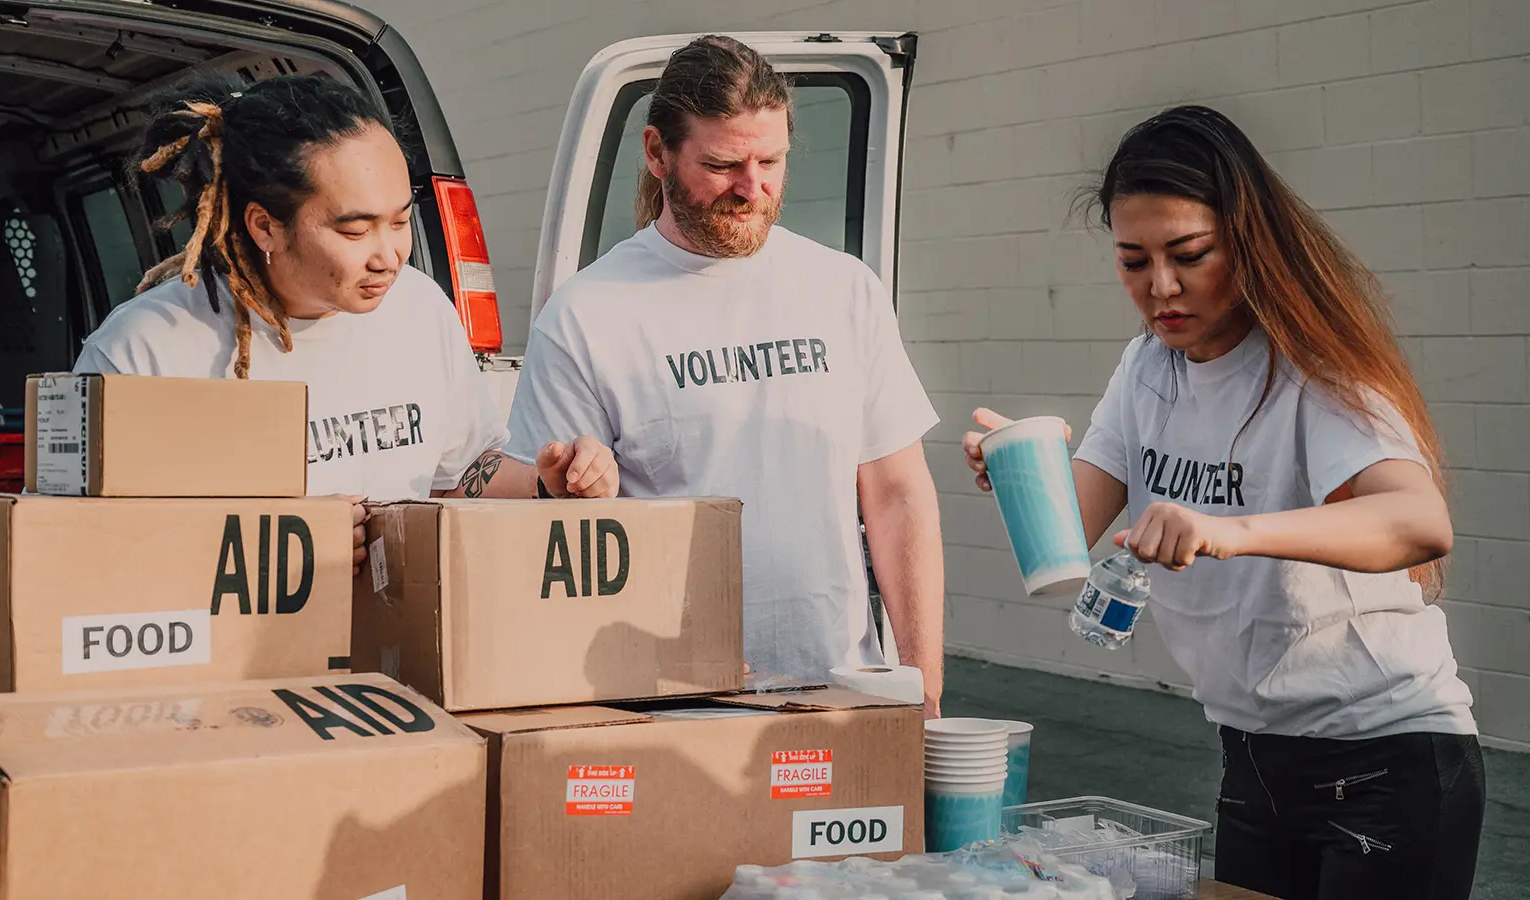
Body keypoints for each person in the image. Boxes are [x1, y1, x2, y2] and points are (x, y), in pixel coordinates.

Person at [963, 106, 1484, 900]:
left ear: (1247, 242)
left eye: (1189, 255)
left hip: (1387, 759)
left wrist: (1228, 531)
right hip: (1253, 759)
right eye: (1133, 261)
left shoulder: (1312, 369)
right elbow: (1070, 536)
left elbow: (1419, 523)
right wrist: (1018, 469)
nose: (1161, 288)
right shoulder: (1147, 368)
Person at [504, 36, 946, 716]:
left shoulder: (843, 289)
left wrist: (924, 685)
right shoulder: (587, 315)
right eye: (722, 165)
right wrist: (568, 484)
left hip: (843, 692)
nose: (753, 188)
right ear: (657, 153)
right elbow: (558, 541)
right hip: (671, 704)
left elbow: (896, 494)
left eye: (771, 161)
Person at [72, 74, 619, 570]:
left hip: (395, 641)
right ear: (265, 226)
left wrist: (549, 485)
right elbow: (81, 552)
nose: (389, 256)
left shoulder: (419, 308)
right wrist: (283, 545)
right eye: (356, 231)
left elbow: (457, 478)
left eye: (401, 221)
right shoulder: (143, 352)